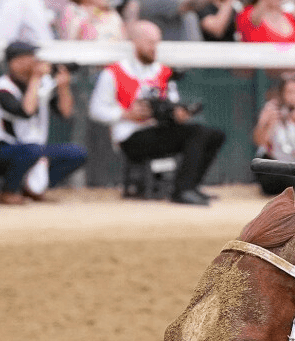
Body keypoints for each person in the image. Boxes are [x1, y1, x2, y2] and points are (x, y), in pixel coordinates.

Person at [88, 21, 226, 205]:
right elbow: (96, 110)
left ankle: (191, 186)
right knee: (197, 133)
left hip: (159, 130)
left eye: (157, 43)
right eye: (150, 43)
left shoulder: (162, 71)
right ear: (136, 42)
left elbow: (171, 104)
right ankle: (182, 190)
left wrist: (178, 114)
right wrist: (126, 114)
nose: (155, 48)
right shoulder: (114, 72)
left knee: (214, 135)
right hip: (131, 136)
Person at [0, 40, 87, 204]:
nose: (36, 61)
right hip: (4, 148)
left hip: (35, 148)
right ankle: (8, 191)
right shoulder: (2, 86)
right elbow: (26, 112)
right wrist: (35, 78)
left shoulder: (43, 83)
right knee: (32, 151)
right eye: (30, 57)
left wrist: (63, 86)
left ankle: (33, 188)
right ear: (15, 62)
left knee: (77, 153)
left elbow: (65, 113)